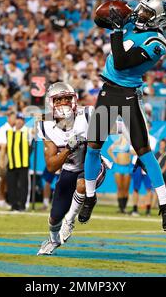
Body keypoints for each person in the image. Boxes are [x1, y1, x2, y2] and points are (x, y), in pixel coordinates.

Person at [81, 0, 166, 231]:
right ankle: (90, 196)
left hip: (129, 95)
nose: (140, 14)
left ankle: (165, 204)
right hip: (108, 91)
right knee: (93, 147)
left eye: (147, 12)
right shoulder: (133, 22)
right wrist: (111, 12)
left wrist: (116, 30)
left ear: (159, 20)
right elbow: (100, 20)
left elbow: (122, 62)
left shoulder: (157, 42)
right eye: (141, 9)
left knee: (144, 151)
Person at [37, 82, 110, 255]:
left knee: (82, 185)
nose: (63, 103)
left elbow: (119, 126)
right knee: (54, 218)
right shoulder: (44, 124)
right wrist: (69, 147)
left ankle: (69, 221)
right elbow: (51, 165)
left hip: (92, 166)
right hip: (69, 170)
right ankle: (53, 241)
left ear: (74, 100)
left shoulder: (87, 114)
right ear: (51, 103)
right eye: (58, 99)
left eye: (67, 98)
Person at [0, 112, 33, 212]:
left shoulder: (28, 132)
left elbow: (31, 145)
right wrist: (2, 160)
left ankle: (22, 205)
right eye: (18, 119)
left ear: (23, 121)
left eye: (21, 119)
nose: (19, 121)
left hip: (23, 163)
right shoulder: (9, 131)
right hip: (11, 162)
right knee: (11, 185)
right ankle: (13, 204)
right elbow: (4, 147)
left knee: (23, 185)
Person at [130, 121, 158, 216]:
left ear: (150, 128)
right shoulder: (135, 137)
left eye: (148, 126)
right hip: (137, 165)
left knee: (148, 188)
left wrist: (139, 150)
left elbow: (148, 152)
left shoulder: (153, 139)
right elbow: (131, 151)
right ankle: (134, 209)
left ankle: (148, 210)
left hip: (146, 165)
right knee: (135, 188)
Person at [107, 125, 132, 214]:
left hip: (127, 167)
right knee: (120, 188)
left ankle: (124, 207)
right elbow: (109, 150)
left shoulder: (130, 142)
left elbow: (135, 151)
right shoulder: (118, 141)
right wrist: (114, 159)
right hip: (118, 166)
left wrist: (130, 152)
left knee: (126, 188)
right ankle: (121, 208)